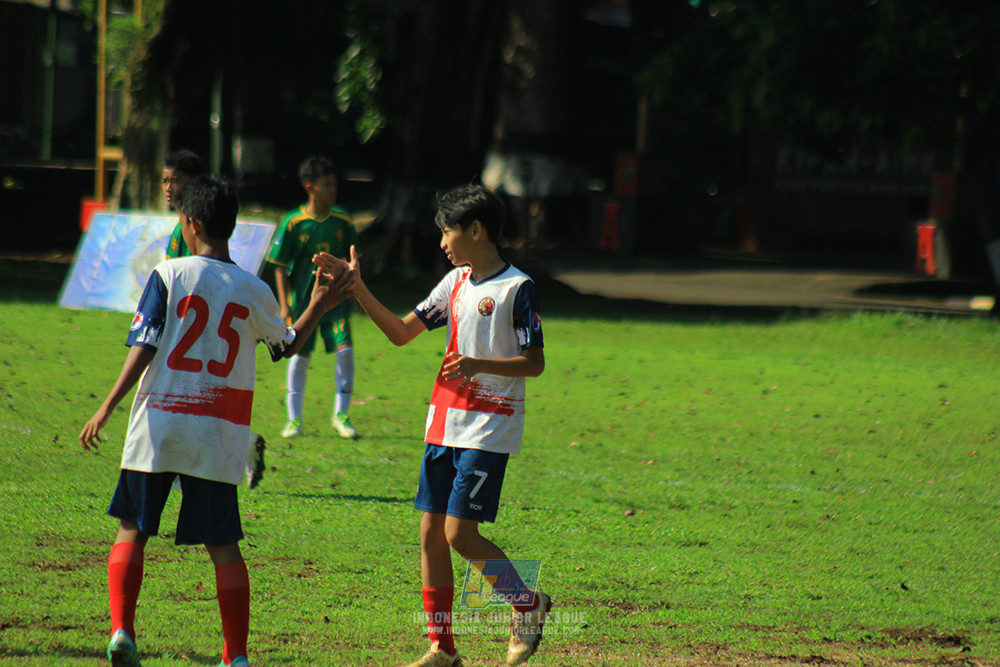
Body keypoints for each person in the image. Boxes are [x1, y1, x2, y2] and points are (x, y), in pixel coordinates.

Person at [79, 175, 355, 667]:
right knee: (224, 545)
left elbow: (144, 345)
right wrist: (318, 303)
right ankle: (237, 656)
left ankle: (122, 631)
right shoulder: (252, 289)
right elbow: (285, 345)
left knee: (132, 529)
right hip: (218, 431)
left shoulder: (169, 274)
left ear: (191, 223)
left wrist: (108, 405)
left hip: (160, 423)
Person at [347, 184, 550, 667]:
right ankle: (443, 648)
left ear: (475, 231)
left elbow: (535, 362)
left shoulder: (516, 289)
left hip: (489, 427)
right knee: (430, 533)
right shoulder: (454, 282)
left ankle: (529, 604)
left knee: (460, 534)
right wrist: (357, 288)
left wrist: (480, 364)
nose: (441, 242)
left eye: (447, 231)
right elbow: (402, 332)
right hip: (444, 423)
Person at [266, 156, 361, 439]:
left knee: (345, 352)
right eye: (326, 184)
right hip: (304, 305)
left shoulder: (343, 220)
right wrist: (285, 305)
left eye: (334, 183)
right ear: (310, 187)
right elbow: (279, 266)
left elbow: (353, 260)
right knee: (299, 356)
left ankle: (341, 415)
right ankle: (294, 419)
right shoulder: (293, 223)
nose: (333, 189)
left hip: (336, 302)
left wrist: (355, 291)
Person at [163, 149, 207, 259]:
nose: (168, 188)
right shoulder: (181, 224)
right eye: (164, 181)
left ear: (194, 183)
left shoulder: (194, 226)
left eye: (175, 181)